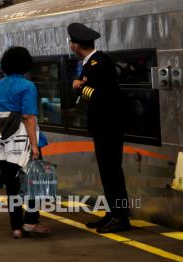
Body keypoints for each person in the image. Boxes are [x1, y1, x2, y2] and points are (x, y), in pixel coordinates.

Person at [68, 22, 130, 233]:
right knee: (108, 173)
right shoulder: (91, 63)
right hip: (104, 127)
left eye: (71, 42)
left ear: (75, 45)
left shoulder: (99, 63)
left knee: (112, 173)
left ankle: (121, 218)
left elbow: (100, 96)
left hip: (109, 127)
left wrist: (79, 88)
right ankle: (113, 213)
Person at [0, 46, 51, 239]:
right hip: (22, 140)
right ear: (26, 64)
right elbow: (29, 117)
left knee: (12, 185)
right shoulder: (27, 86)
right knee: (37, 180)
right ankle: (31, 221)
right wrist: (34, 146)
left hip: (3, 141)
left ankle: (16, 227)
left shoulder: (0, 85)